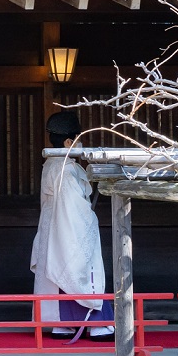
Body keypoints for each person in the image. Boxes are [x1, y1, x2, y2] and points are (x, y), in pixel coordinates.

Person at [31, 110, 113, 340]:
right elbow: (74, 210)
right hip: (67, 226)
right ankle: (98, 324)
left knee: (57, 265)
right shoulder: (65, 170)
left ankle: (62, 323)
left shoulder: (52, 165)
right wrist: (90, 220)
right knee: (76, 264)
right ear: (69, 141)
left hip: (53, 226)